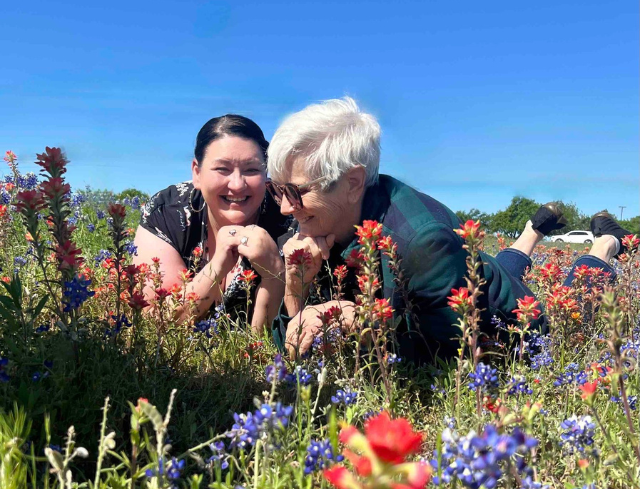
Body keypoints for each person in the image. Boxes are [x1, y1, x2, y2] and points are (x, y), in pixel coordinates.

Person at [267, 97, 631, 363]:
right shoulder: (318, 223)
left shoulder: (421, 242)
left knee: (573, 302)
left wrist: (365, 322)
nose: (285, 207)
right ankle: (532, 230)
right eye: (277, 190)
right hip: (470, 268)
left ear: (352, 183)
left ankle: (605, 244)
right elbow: (286, 340)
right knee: (490, 265)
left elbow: (445, 356)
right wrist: (296, 290)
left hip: (510, 324)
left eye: (295, 191)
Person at [133, 115, 291, 330]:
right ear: (197, 173)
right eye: (222, 169)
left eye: (252, 170)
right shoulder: (167, 211)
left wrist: (274, 273)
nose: (237, 184)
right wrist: (216, 268)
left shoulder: (288, 215)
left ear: (266, 174)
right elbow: (155, 321)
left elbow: (268, 344)